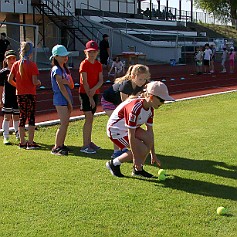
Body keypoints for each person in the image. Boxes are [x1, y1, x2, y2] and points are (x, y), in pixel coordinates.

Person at [106, 81, 174, 178]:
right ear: (151, 97)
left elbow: (150, 133)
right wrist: (136, 158)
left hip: (129, 128)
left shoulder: (150, 108)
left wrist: (153, 154)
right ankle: (114, 163)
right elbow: (131, 134)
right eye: (162, 100)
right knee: (141, 149)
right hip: (116, 131)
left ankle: (138, 169)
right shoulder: (135, 108)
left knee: (148, 140)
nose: (163, 103)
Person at [101, 64, 150, 158]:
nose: (143, 82)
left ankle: (122, 147)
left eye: (144, 79)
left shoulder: (141, 84)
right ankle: (116, 152)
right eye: (140, 79)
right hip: (109, 102)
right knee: (117, 125)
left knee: (125, 125)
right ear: (133, 77)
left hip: (119, 103)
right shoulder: (126, 85)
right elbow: (125, 103)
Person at [8, 41, 41, 149]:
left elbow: (9, 79)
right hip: (30, 93)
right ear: (31, 53)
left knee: (22, 117)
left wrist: (17, 85)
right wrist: (39, 82)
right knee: (31, 117)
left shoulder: (16, 64)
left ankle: (22, 142)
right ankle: (30, 142)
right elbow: (34, 81)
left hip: (20, 94)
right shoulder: (32, 65)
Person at [79, 40, 104, 154]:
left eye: (94, 52)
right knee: (88, 118)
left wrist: (94, 90)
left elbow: (101, 80)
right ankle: (85, 145)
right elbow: (84, 82)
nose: (92, 54)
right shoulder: (84, 64)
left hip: (94, 93)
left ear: (97, 52)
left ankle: (89, 142)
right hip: (85, 94)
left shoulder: (98, 64)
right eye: (89, 52)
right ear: (86, 52)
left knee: (91, 119)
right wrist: (90, 97)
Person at [50, 45, 74, 156]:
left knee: (66, 123)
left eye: (66, 55)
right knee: (63, 123)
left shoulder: (63, 69)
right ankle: (56, 147)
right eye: (62, 55)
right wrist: (69, 101)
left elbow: (68, 84)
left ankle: (61, 144)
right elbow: (61, 86)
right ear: (56, 56)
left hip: (65, 98)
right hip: (61, 99)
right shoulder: (56, 69)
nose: (65, 57)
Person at [0, 50, 19, 144]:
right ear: (6, 60)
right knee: (7, 117)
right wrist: (0, 99)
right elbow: (1, 87)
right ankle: (6, 136)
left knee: (16, 116)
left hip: (17, 96)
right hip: (7, 97)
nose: (12, 60)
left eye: (14, 58)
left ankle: (18, 134)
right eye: (9, 59)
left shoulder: (19, 70)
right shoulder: (3, 72)